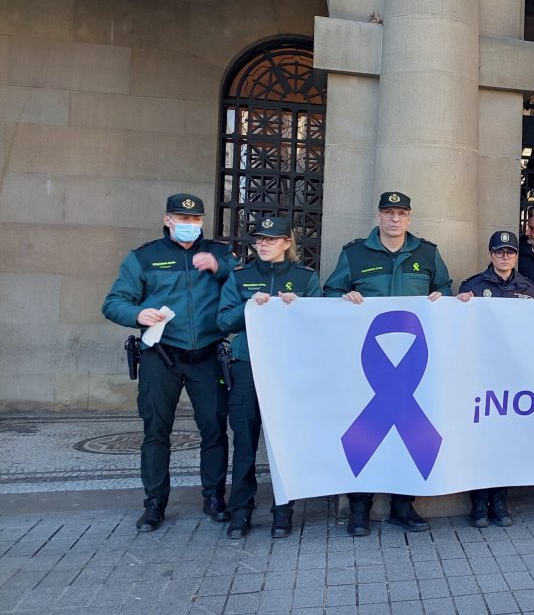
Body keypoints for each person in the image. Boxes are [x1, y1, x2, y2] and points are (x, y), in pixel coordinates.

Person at [102, 192, 237, 532]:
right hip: (161, 356)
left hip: (206, 355)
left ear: (202, 222)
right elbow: (113, 302)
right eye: (181, 218)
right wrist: (137, 313)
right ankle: (155, 502)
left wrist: (220, 268)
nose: (189, 224)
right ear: (167, 220)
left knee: (215, 429)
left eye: (195, 220)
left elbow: (246, 282)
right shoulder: (144, 257)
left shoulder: (219, 253)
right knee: (156, 432)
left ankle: (214, 496)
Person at [323, 191, 452, 536]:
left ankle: (402, 506)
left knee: (404, 435)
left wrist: (441, 299)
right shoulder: (354, 253)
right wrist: (343, 297)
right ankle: (359, 509)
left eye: (401, 213)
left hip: (412, 362)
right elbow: (329, 293)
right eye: (388, 212)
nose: (395, 219)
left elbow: (444, 291)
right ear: (378, 216)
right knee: (368, 432)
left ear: (409, 217)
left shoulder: (427, 253)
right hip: (368, 363)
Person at [216, 216, 320, 539]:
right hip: (248, 366)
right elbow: (223, 321)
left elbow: (319, 324)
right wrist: (250, 306)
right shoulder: (241, 277)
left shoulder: (305, 278)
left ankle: (283, 511)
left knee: (283, 443)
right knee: (244, 441)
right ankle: (241, 512)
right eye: (260, 239)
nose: (263, 244)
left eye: (271, 239)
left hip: (287, 369)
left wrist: (298, 308)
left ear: (287, 243)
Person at [456, 230, 534, 528]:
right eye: (499, 252)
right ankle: (479, 502)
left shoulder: (530, 289)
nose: (505, 257)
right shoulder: (471, 286)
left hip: (513, 377)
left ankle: (500, 498)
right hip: (479, 376)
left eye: (510, 252)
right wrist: (460, 305)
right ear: (490, 254)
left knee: (506, 441)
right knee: (480, 440)